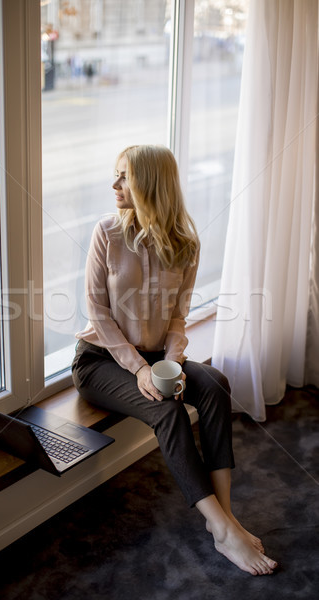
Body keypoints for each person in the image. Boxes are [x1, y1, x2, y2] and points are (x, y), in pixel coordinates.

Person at [71, 144, 277, 576]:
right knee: (167, 411)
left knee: (216, 382)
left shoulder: (186, 243)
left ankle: (227, 516)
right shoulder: (106, 233)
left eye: (124, 176)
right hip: (101, 362)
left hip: (155, 357)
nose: (115, 185)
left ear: (150, 182)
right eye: (116, 175)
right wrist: (142, 369)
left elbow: (179, 316)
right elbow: (97, 313)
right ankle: (221, 529)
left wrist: (172, 361)